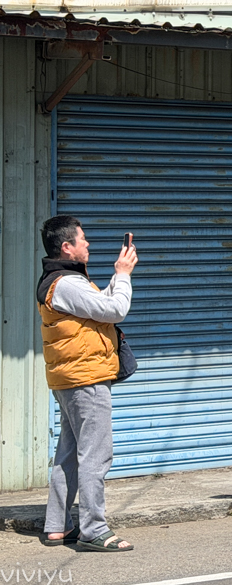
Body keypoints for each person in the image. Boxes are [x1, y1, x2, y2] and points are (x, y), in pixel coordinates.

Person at [37, 216, 137, 552]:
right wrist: (123, 276)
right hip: (86, 378)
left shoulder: (64, 281)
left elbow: (98, 310)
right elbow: (115, 310)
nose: (88, 244)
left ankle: (57, 525)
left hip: (71, 378)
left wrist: (115, 276)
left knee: (68, 454)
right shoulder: (67, 283)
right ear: (67, 246)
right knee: (96, 454)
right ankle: (93, 528)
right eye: (83, 239)